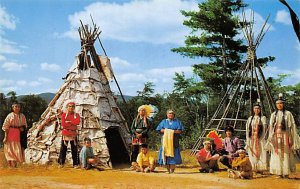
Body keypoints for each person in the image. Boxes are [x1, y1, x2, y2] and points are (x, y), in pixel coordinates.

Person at [265, 94, 300, 178]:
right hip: (276, 136)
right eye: (277, 104)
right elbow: (271, 127)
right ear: (276, 105)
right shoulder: (273, 114)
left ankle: (286, 172)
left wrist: (291, 137)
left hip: (285, 136)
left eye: (281, 103)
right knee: (277, 153)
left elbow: (291, 127)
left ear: (283, 104)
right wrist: (270, 137)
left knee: (285, 154)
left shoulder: (288, 114)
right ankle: (279, 172)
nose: (279, 105)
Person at [156, 109, 184, 173]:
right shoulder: (163, 121)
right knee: (165, 153)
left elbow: (179, 130)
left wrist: (170, 131)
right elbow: (160, 129)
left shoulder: (177, 122)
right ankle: (167, 169)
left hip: (174, 140)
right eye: (169, 113)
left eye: (172, 113)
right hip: (165, 140)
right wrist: (167, 131)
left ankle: (172, 169)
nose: (170, 115)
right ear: (167, 114)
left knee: (173, 153)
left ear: (174, 115)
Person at [2, 103, 27, 167]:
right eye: (16, 107)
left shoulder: (22, 116)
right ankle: (10, 165)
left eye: (18, 107)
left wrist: (23, 128)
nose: (17, 108)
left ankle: (15, 165)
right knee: (10, 149)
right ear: (12, 108)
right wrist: (5, 137)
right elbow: (6, 127)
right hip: (10, 132)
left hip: (18, 133)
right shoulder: (10, 116)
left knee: (17, 149)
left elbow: (25, 125)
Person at [245, 103, 268, 173]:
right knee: (252, 153)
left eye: (258, 108)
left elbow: (264, 129)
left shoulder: (263, 118)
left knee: (261, 153)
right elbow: (247, 129)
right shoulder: (250, 118)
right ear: (253, 109)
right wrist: (248, 139)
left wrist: (263, 139)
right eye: (255, 108)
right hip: (252, 139)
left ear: (260, 110)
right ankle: (254, 168)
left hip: (260, 139)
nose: (256, 110)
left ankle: (260, 169)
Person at [58, 101, 80, 168]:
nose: (71, 107)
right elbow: (63, 124)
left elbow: (77, 122)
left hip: (73, 133)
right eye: (70, 106)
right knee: (63, 149)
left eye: (73, 106)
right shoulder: (64, 115)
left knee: (74, 149)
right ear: (67, 107)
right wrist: (72, 123)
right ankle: (61, 163)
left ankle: (75, 164)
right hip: (66, 133)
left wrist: (69, 122)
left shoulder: (77, 115)